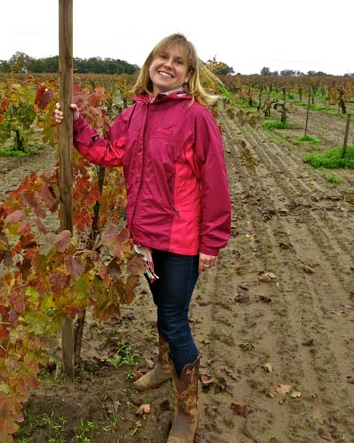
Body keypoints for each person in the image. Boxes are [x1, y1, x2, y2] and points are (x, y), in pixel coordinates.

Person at [54, 33, 231, 442]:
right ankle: (164, 366)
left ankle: (187, 411)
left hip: (183, 240)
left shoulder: (196, 117)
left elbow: (215, 183)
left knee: (173, 320)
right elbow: (109, 152)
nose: (168, 64)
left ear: (189, 74)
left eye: (179, 61)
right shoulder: (135, 114)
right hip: (146, 237)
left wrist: (212, 242)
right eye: (162, 57)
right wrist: (77, 125)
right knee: (163, 309)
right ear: (150, 63)